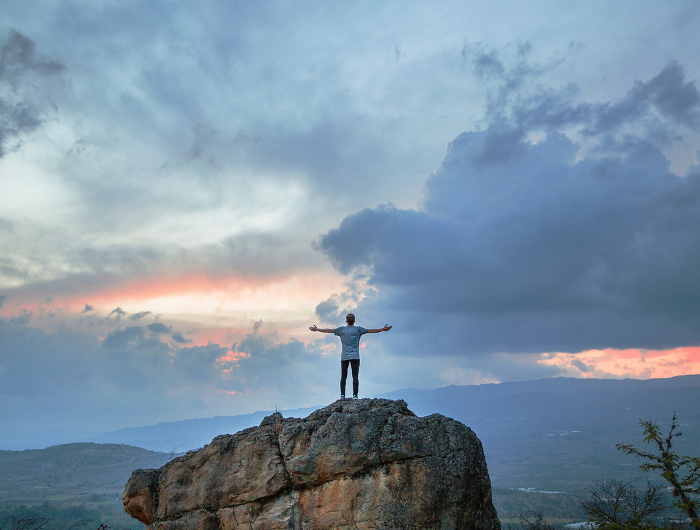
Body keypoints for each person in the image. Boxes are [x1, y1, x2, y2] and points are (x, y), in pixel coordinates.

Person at [309, 313, 392, 399]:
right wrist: (382, 329)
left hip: (344, 357)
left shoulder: (341, 330)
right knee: (355, 376)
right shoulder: (358, 329)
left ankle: (342, 396)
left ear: (346, 320)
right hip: (355, 356)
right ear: (354, 320)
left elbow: (329, 330)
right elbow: (371, 330)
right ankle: (355, 395)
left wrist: (317, 329)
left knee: (343, 376)